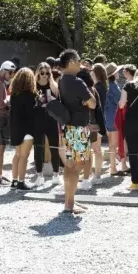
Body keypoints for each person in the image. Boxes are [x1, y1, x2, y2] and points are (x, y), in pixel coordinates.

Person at [58, 49, 95, 215]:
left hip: (68, 127)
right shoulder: (77, 81)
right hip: (79, 128)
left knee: (70, 165)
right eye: (78, 60)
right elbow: (93, 103)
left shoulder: (62, 80)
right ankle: (70, 204)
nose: (80, 63)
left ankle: (69, 201)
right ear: (72, 61)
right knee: (77, 166)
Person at [7, 68, 37, 190]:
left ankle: (14, 181)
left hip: (15, 127)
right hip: (27, 128)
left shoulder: (13, 95)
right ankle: (21, 181)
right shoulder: (30, 95)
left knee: (17, 155)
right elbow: (32, 113)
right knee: (24, 156)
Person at [32, 63, 61, 186]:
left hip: (51, 119)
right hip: (37, 119)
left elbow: (59, 101)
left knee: (54, 147)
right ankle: (39, 175)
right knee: (38, 148)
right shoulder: (33, 85)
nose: (45, 75)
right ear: (38, 73)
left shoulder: (53, 85)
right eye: (42, 73)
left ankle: (56, 174)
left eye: (47, 73)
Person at [103, 62, 122, 177]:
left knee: (111, 143)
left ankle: (113, 166)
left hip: (107, 116)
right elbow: (120, 101)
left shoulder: (106, 85)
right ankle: (113, 168)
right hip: (114, 116)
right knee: (113, 144)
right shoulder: (114, 86)